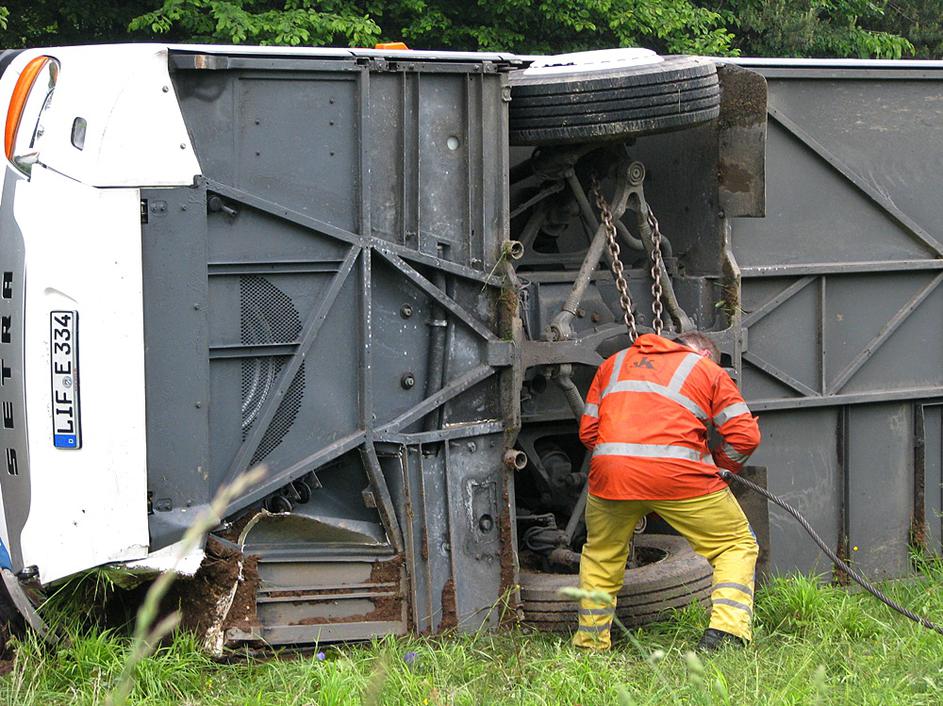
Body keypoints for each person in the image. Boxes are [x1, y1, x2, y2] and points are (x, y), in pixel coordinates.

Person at [574, 331, 761, 652]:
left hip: (611, 475)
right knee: (736, 544)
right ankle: (726, 634)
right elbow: (745, 435)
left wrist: (627, 456)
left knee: (601, 556)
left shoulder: (613, 364)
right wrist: (721, 466)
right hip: (681, 477)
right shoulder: (706, 370)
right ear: (703, 353)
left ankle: (590, 644)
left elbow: (589, 431)